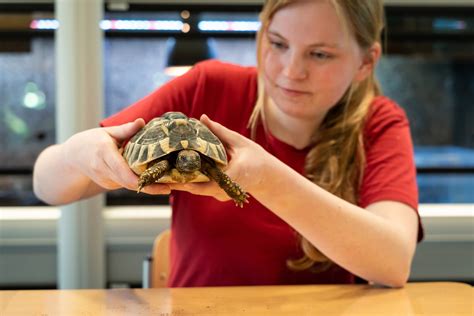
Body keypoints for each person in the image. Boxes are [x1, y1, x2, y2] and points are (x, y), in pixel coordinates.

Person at [33, 0, 423, 288]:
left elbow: (392, 263)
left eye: (319, 54)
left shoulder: (377, 123)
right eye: (278, 44)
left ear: (365, 63)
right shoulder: (207, 88)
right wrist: (81, 154)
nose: (291, 71)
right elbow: (47, 184)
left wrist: (267, 178)